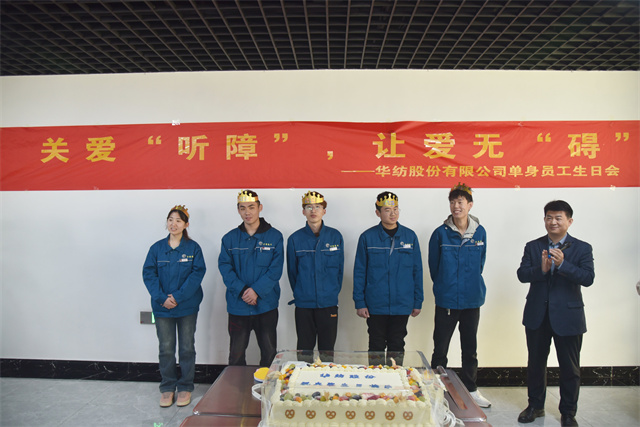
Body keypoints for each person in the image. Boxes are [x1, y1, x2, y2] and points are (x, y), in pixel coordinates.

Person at [516, 200, 595, 426]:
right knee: (535, 364)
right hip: (537, 315)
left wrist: (563, 265)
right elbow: (522, 274)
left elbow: (588, 278)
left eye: (558, 218)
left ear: (569, 221)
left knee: (570, 368)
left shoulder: (582, 248)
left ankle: (568, 412)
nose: (553, 222)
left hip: (568, 318)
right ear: (544, 220)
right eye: (549, 217)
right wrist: (540, 270)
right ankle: (535, 406)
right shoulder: (533, 246)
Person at [428, 183, 491, 408]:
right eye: (453, 202)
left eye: (461, 202)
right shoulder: (440, 233)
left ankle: (471, 389)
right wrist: (446, 286)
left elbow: (480, 264)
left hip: (472, 300)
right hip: (447, 300)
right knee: (440, 348)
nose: (456, 206)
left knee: (470, 348)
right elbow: (434, 268)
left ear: (470, 205)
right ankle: (435, 390)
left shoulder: (480, 232)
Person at [142, 205, 206, 408]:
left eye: (178, 220)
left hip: (187, 307)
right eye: (170, 220)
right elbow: (149, 275)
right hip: (162, 308)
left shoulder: (193, 248)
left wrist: (177, 297)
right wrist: (162, 298)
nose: (173, 224)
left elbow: (197, 274)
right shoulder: (156, 249)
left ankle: (185, 386)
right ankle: (168, 387)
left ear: (186, 224)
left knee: (187, 347)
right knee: (166, 348)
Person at [353, 191, 423, 365]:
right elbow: (359, 271)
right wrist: (360, 302)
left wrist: (418, 301)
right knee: (376, 344)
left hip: (402, 303)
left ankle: (395, 378)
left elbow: (417, 271)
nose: (393, 213)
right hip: (376, 304)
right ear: (377, 213)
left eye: (396, 209)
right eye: (387, 210)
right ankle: (376, 378)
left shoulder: (410, 237)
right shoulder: (367, 238)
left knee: (397, 344)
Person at [218, 190, 284, 367]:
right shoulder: (229, 239)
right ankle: (236, 385)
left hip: (266, 305)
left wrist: (256, 291)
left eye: (251, 207)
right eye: (243, 208)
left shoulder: (275, 236)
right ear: (238, 210)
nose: (247, 212)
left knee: (269, 353)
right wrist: (243, 291)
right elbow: (225, 268)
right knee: (236, 355)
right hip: (238, 306)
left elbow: (275, 270)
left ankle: (267, 384)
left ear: (260, 208)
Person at [286, 191, 344, 361]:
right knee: (304, 350)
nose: (313, 210)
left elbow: (339, 270)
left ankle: (326, 377)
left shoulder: (335, 236)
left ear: (324, 211)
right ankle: (303, 378)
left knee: (327, 350)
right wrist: (302, 293)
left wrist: (331, 293)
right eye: (309, 207)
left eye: (317, 207)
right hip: (304, 304)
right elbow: (292, 272)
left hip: (328, 303)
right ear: (303, 211)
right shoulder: (295, 239)